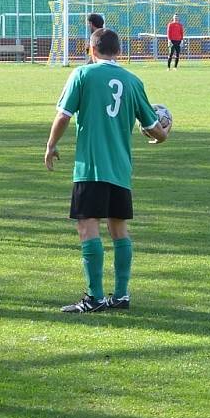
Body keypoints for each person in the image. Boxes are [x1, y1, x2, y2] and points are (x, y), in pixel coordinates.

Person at [45, 28, 170, 314]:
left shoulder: (82, 75)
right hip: (120, 169)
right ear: (119, 52)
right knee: (119, 228)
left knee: (87, 225)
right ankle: (122, 295)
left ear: (91, 50)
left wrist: (51, 145)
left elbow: (63, 115)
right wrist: (164, 133)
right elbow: (154, 130)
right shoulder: (133, 81)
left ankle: (94, 297)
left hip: (90, 167)